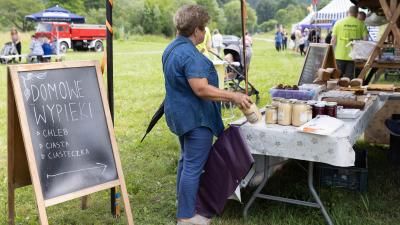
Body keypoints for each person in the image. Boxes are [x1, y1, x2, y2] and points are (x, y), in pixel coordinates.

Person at [163, 5, 252, 225]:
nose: (205, 34)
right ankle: (186, 217)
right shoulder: (190, 55)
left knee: (186, 162)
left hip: (179, 114)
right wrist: (234, 96)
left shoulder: (171, 48)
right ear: (196, 31)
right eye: (204, 29)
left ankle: (183, 203)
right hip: (195, 119)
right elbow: (201, 89)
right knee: (193, 166)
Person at [331, 6, 368, 79]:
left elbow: (333, 41)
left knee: (336, 78)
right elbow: (365, 41)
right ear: (357, 14)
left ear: (348, 12)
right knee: (349, 80)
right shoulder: (361, 24)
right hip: (353, 57)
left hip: (339, 55)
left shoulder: (338, 23)